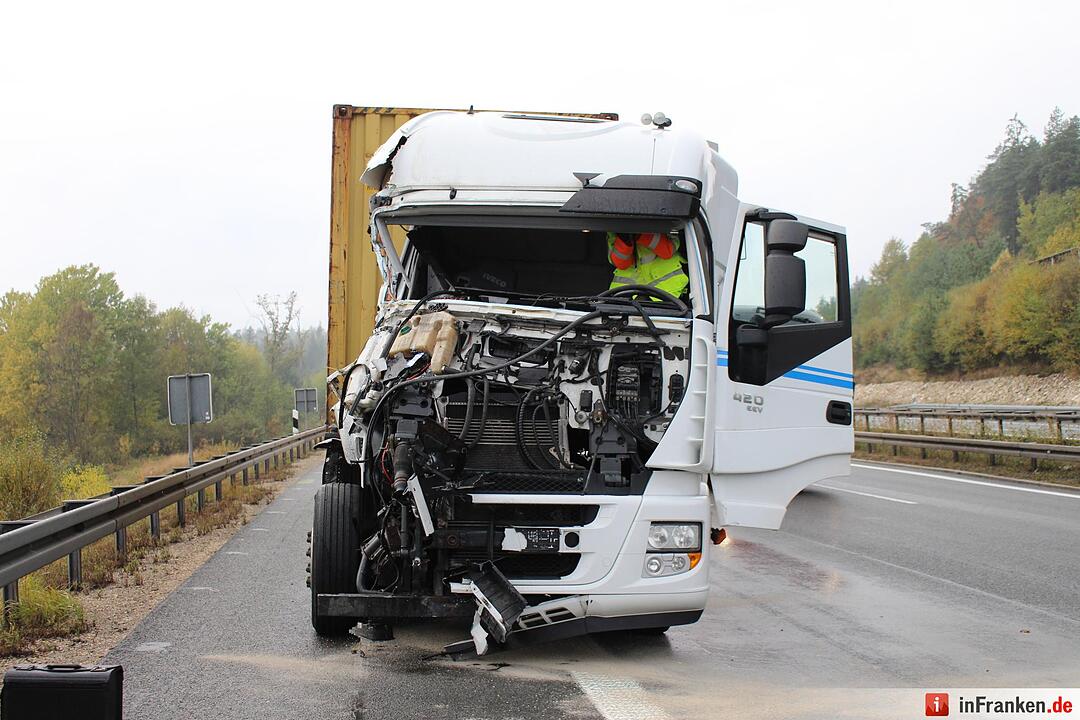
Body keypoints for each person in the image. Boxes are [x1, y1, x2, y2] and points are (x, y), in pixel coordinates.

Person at [606, 232, 689, 298]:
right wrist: (625, 241)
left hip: (667, 292)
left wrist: (642, 232)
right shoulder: (615, 223)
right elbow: (620, 263)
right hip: (625, 295)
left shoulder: (666, 217)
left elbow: (667, 251)